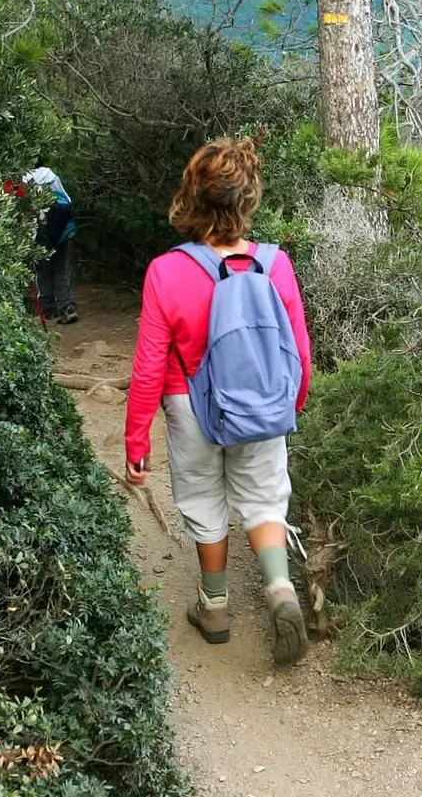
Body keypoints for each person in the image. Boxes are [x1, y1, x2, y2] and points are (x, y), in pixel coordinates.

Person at [124, 137, 313, 665]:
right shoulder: (276, 265)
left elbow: (148, 366)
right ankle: (280, 591)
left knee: (205, 503)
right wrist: (288, 407)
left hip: (191, 406)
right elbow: (298, 352)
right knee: (263, 498)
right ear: (248, 198)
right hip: (262, 405)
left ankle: (214, 608)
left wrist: (135, 441)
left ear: (193, 197)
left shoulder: (167, 270)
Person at [24, 157, 77, 324]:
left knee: (42, 272)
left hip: (37, 232)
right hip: (60, 232)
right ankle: (67, 307)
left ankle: (48, 310)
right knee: (60, 269)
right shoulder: (50, 175)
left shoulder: (23, 181)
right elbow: (67, 201)